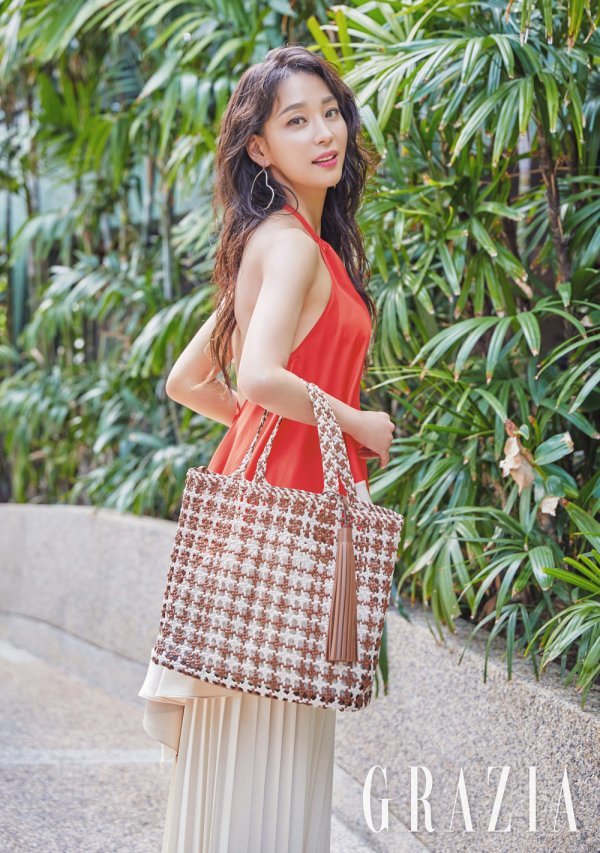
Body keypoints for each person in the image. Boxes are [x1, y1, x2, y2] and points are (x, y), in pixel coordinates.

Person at [138, 43, 395, 852]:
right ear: (259, 146)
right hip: (289, 524)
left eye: (331, 113)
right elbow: (256, 375)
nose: (325, 133)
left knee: (252, 745)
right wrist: (356, 424)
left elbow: (188, 380)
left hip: (266, 519)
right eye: (297, 121)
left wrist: (269, 423)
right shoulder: (289, 246)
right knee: (272, 752)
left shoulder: (279, 240)